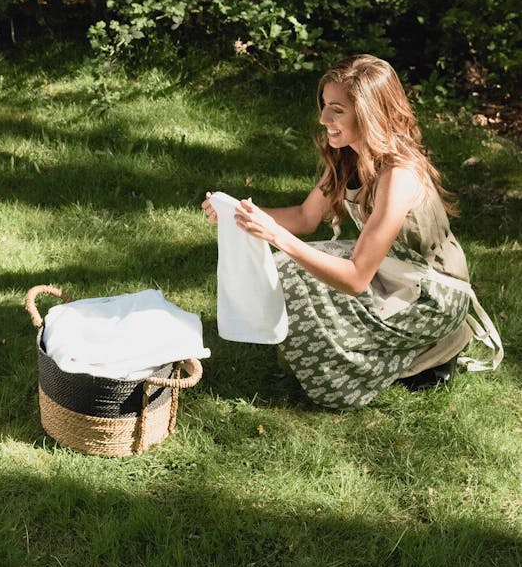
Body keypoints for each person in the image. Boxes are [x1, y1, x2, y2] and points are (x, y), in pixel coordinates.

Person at [202, 54, 502, 409]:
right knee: (286, 270)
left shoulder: (399, 175)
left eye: (337, 110)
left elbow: (357, 278)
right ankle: (380, 354)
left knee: (297, 280)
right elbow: (304, 217)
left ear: (369, 114)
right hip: (393, 272)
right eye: (325, 106)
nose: (323, 119)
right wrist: (239, 214)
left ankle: (424, 356)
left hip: (431, 296)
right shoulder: (349, 157)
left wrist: (274, 235)